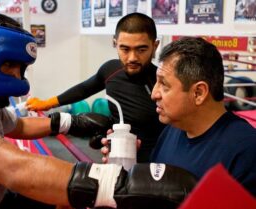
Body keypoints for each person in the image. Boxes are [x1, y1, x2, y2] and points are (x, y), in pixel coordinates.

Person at [0, 11, 198, 209]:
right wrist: (117, 184)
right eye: (8, 64)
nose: (17, 78)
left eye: (22, 68)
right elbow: (16, 168)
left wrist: (72, 122)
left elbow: (17, 125)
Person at [103, 37, 256, 196]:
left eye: (164, 85)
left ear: (198, 93)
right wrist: (131, 165)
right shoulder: (173, 130)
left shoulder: (246, 151)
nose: (154, 94)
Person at [26, 13, 166, 162]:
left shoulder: (162, 84)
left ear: (155, 46)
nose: (132, 58)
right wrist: (48, 103)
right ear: (115, 43)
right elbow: (84, 89)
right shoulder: (111, 70)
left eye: (141, 50)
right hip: (115, 156)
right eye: (125, 49)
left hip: (153, 164)